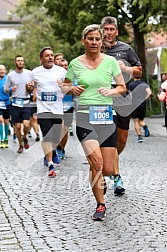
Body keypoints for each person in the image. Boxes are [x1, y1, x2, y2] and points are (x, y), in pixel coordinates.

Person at [59, 24, 126, 221]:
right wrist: (72, 90)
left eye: (97, 39)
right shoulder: (75, 63)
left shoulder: (111, 62)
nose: (94, 42)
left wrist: (111, 91)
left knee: (106, 168)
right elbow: (64, 86)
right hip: (84, 116)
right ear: (84, 41)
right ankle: (100, 205)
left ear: (101, 41)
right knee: (96, 162)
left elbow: (122, 87)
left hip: (106, 116)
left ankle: (101, 180)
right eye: (90, 39)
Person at [100, 16, 142, 194]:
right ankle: (116, 176)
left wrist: (125, 69)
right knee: (107, 137)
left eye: (111, 29)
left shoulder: (126, 49)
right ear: (101, 30)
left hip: (123, 97)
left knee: (122, 139)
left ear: (116, 31)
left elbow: (139, 70)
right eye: (106, 29)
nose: (108, 32)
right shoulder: (96, 47)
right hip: (101, 98)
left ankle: (110, 163)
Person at [28, 47, 66, 177]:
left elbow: (68, 87)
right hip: (43, 109)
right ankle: (50, 164)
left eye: (51, 55)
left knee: (55, 137)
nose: (50, 57)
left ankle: (52, 151)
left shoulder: (61, 71)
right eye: (46, 55)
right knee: (47, 136)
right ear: (41, 59)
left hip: (57, 108)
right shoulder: (35, 72)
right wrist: (29, 87)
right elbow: (29, 88)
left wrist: (64, 86)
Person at [4, 55, 32, 153]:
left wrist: (31, 88)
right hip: (15, 103)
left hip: (26, 102)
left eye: (22, 60)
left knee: (26, 124)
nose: (20, 62)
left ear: (23, 62)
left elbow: (33, 86)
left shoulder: (29, 73)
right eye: (18, 61)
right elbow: (6, 89)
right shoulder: (10, 75)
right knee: (18, 126)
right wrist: (11, 89)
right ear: (15, 62)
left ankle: (25, 137)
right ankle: (20, 145)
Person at [57, 58, 75, 159]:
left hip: (69, 106)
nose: (64, 67)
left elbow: (76, 89)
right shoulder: (55, 77)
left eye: (65, 65)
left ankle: (62, 148)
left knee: (65, 129)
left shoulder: (72, 77)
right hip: (57, 106)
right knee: (59, 128)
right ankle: (58, 146)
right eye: (62, 65)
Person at [128, 77, 151, 142]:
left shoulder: (131, 85)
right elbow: (149, 93)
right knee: (141, 120)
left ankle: (140, 137)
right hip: (142, 104)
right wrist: (144, 99)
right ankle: (145, 127)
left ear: (133, 77)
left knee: (136, 121)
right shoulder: (144, 84)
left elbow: (128, 95)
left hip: (134, 104)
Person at [0, 64, 11, 148]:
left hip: (7, 102)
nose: (2, 71)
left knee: (6, 121)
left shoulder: (8, 78)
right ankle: (1, 139)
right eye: (0, 70)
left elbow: (12, 89)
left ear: (5, 70)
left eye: (3, 70)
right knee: (0, 120)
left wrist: (9, 89)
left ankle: (6, 139)